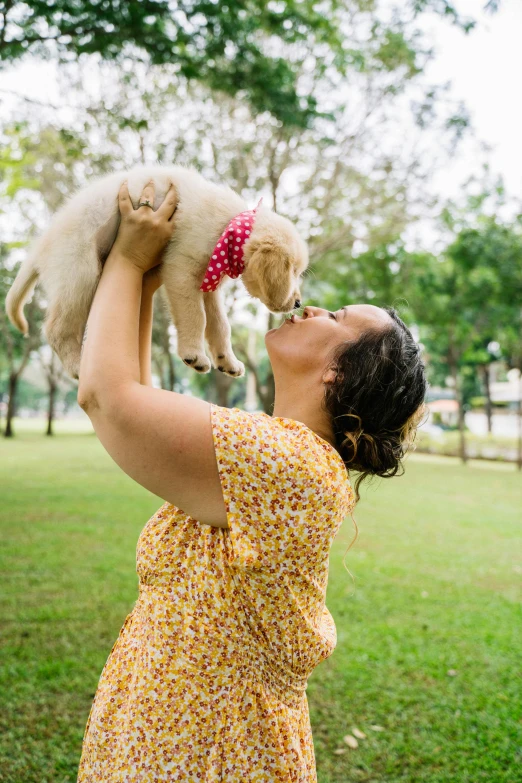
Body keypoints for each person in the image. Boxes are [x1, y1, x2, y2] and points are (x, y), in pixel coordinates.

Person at [76, 180, 427, 782]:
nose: (313, 307)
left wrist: (130, 261)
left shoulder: (291, 468)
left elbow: (108, 399)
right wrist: (151, 279)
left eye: (338, 318)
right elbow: (130, 392)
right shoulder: (267, 453)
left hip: (209, 752)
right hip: (168, 732)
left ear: (339, 375)